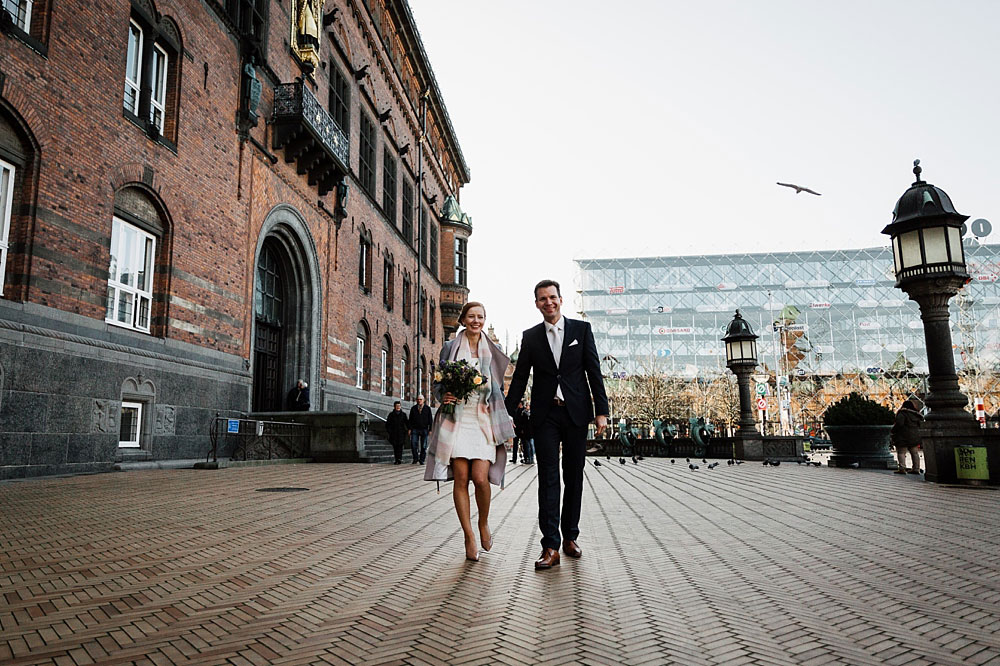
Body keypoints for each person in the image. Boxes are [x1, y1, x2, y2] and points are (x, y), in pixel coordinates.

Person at [505, 279, 609, 570]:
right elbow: (521, 378)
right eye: (542, 299)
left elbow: (594, 372)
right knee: (548, 478)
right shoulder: (531, 337)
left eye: (552, 297)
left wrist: (601, 411)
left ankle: (570, 537)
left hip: (576, 413)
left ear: (561, 300)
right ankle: (550, 545)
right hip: (546, 415)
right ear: (536, 303)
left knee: (574, 476)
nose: (548, 302)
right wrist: (506, 412)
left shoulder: (581, 330)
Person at [424, 302, 515, 562]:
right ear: (463, 319)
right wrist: (445, 395)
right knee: (462, 476)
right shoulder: (450, 348)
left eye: (481, 317)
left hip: (482, 417)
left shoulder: (492, 349)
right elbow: (438, 382)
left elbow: (498, 387)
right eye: (472, 316)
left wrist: (505, 415)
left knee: (481, 478)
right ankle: (468, 535)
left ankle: (483, 522)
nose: (476, 321)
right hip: (457, 418)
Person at [891, 398, 923, 474]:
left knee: (901, 452)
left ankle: (902, 468)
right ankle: (916, 468)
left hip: (903, 436)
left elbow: (899, 424)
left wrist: (893, 431)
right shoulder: (917, 414)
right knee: (914, 453)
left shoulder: (902, 413)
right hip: (914, 436)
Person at [408, 394, 432, 464]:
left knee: (424, 446)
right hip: (415, 429)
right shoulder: (413, 408)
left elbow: (430, 419)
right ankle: (415, 458)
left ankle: (422, 460)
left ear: (423, 400)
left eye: (420, 400)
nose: (419, 401)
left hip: (424, 429)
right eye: (418, 400)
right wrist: (409, 429)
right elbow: (410, 419)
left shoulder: (427, 408)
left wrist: (430, 429)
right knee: (413, 444)